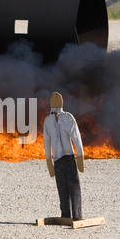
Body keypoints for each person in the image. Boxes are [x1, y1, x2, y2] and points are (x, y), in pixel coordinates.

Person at [43, 92, 85, 220]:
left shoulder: (68, 118)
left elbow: (76, 137)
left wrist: (80, 156)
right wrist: (49, 161)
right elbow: (46, 141)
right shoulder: (48, 121)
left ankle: (77, 215)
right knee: (61, 188)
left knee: (74, 186)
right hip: (57, 158)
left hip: (68, 156)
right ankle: (65, 215)